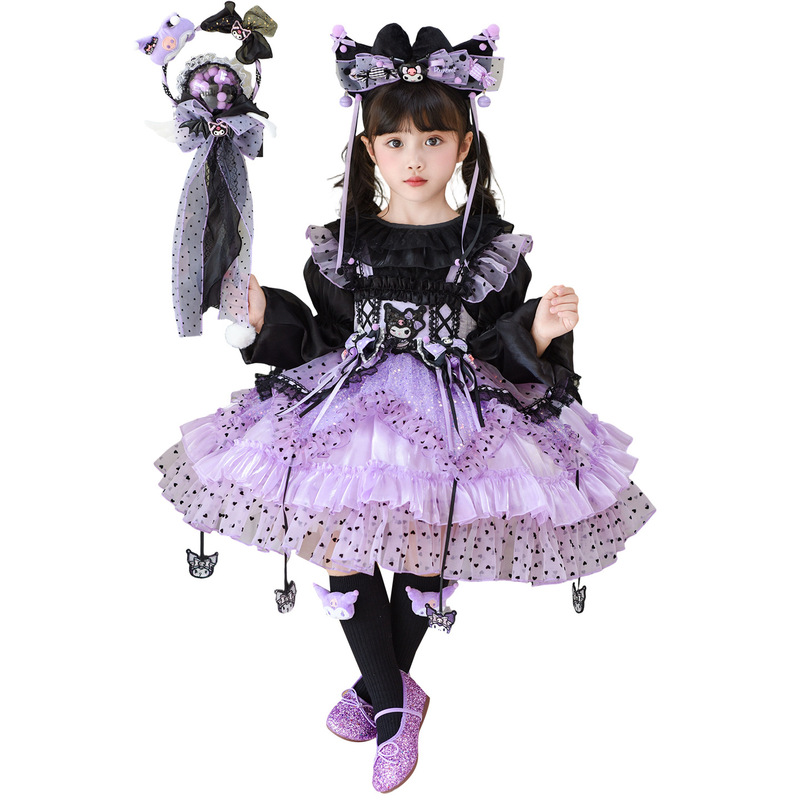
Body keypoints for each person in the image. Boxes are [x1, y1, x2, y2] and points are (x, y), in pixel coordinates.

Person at [156, 22, 654, 793]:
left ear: (464, 147)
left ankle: (381, 698)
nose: (414, 157)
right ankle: (395, 706)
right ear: (369, 150)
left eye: (433, 139)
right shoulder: (342, 244)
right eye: (395, 142)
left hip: (451, 413)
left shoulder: (488, 249)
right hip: (350, 405)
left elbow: (494, 341)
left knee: (427, 544)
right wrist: (263, 315)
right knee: (340, 543)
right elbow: (319, 336)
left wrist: (540, 330)